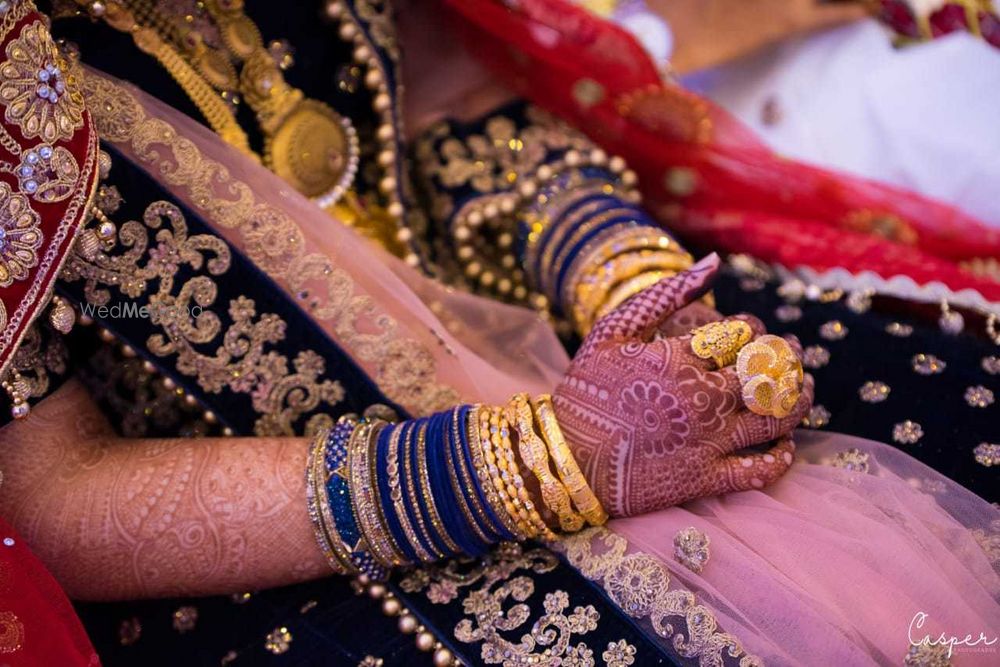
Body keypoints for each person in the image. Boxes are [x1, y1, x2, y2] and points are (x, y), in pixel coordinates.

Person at [0, 1, 996, 665]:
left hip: (548, 341)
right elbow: (42, 496)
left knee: (950, 404)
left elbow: (461, 114)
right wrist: (536, 463)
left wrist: (628, 280)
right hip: (281, 547)